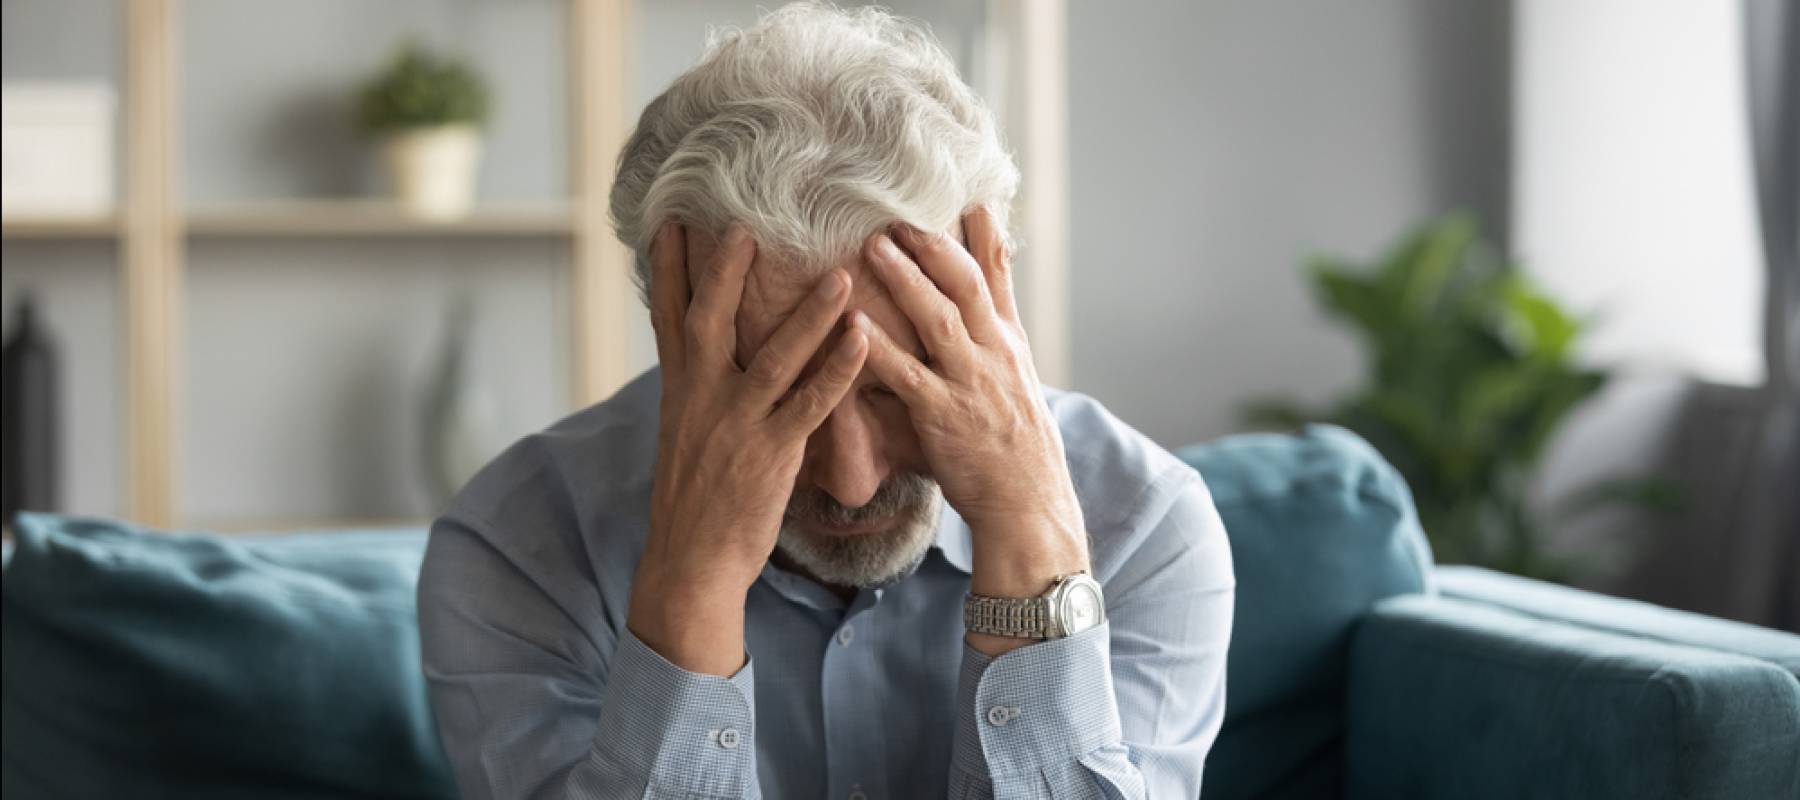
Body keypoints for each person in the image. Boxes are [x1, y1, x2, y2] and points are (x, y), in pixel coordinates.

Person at [417, 4, 1234, 798]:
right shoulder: (515, 549)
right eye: (774, 395)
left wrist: (1032, 547)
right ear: (676, 329)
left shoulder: (1143, 524)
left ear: (990, 303)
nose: (850, 482)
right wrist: (690, 583)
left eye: (897, 390)